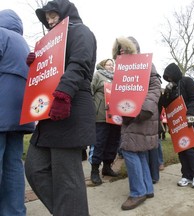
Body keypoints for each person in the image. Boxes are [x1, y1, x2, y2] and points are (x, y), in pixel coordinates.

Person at [24, 0, 97, 215]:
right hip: (49, 112)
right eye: (46, 17)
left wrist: (64, 94)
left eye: (53, 15)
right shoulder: (51, 41)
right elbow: (50, 72)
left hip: (70, 107)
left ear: (65, 13)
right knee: (34, 168)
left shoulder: (80, 31)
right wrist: (38, 63)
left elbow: (80, 62)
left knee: (67, 179)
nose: (49, 20)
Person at [111, 36, 161, 210]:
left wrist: (143, 110)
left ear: (133, 48)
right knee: (138, 152)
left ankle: (137, 192)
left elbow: (155, 87)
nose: (121, 50)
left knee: (129, 151)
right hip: (129, 114)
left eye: (124, 47)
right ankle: (147, 189)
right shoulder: (122, 68)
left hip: (140, 115)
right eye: (119, 48)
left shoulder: (145, 63)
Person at [0, 9, 35, 216]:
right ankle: (14, 211)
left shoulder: (1, 35)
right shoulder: (23, 44)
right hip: (19, 115)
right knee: (13, 165)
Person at [162, 63, 194, 188]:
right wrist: (166, 93)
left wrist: (190, 113)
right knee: (181, 150)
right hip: (177, 123)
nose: (169, 80)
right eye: (167, 78)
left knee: (189, 149)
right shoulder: (171, 87)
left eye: (170, 77)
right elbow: (166, 105)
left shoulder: (187, 81)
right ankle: (186, 175)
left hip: (188, 119)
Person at [89, 58, 121, 186]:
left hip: (115, 117)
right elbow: (90, 91)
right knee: (99, 142)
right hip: (101, 117)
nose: (111, 66)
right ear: (103, 65)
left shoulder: (118, 78)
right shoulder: (98, 75)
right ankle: (94, 170)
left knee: (113, 142)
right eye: (109, 64)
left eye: (113, 64)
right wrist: (92, 108)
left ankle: (107, 167)